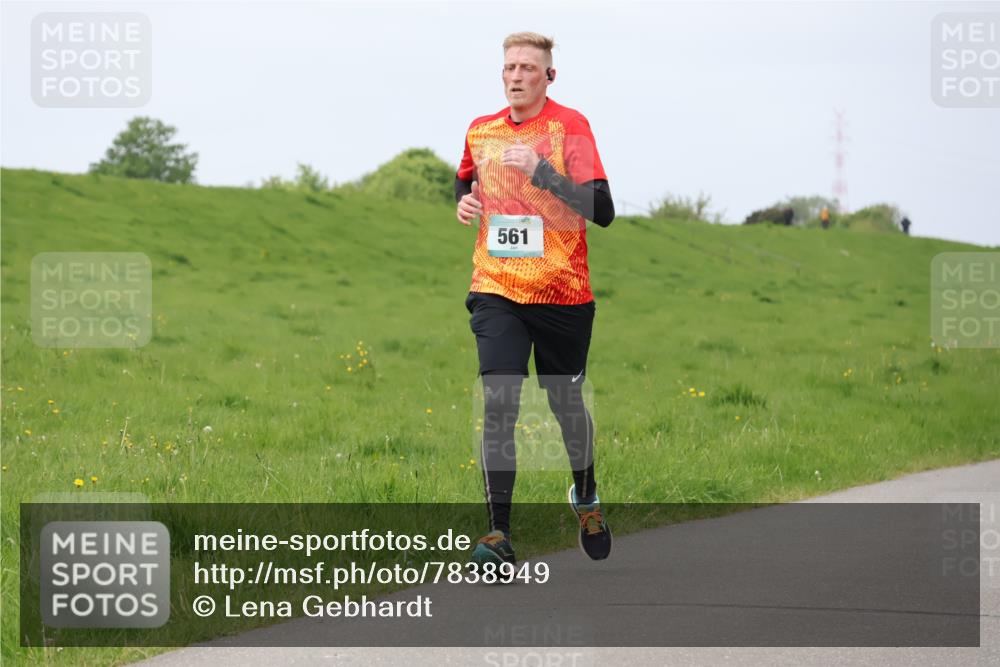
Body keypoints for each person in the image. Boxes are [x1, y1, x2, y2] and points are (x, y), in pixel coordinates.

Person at [455, 32, 615, 567]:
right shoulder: (482, 131)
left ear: (549, 76)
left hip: (563, 293)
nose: (516, 75)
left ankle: (586, 497)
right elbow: (463, 183)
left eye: (527, 67)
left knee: (567, 406)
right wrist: (467, 203)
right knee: (499, 401)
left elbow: (603, 208)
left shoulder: (570, 127)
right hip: (496, 287)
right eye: (509, 66)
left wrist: (543, 173)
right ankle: (498, 533)